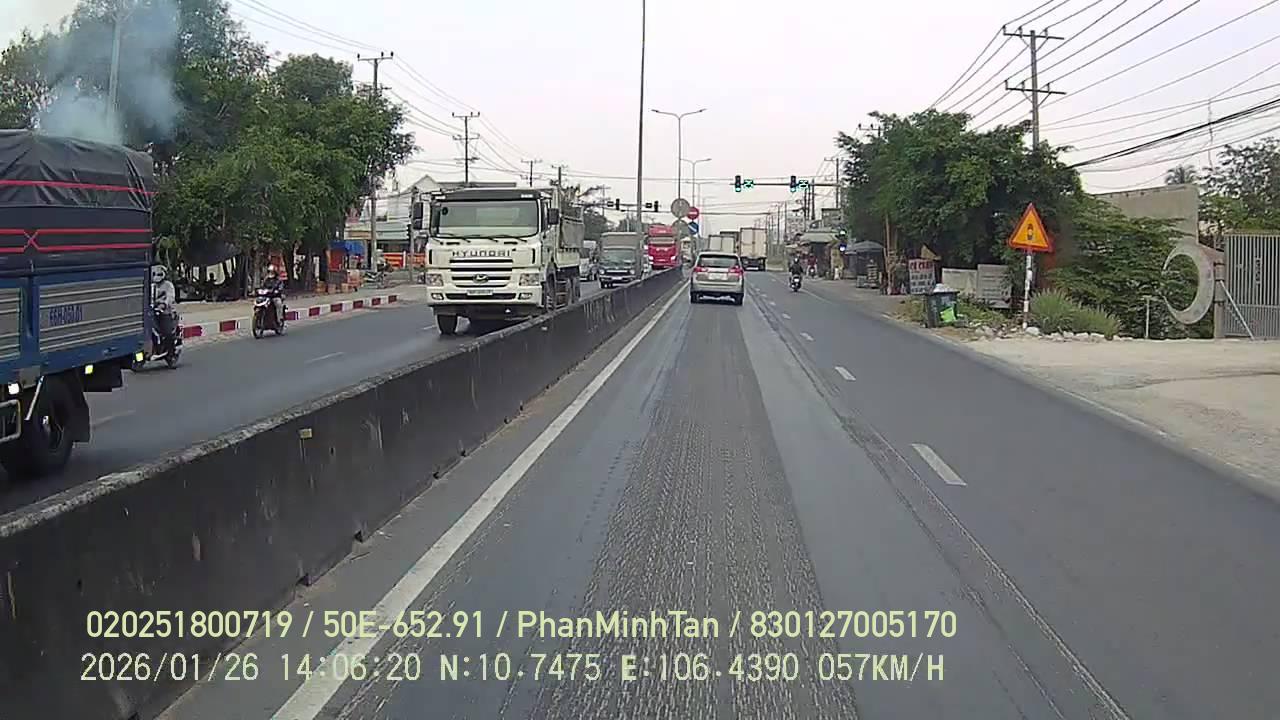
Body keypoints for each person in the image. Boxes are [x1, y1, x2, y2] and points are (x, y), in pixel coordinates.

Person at [150, 265, 177, 342]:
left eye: (159, 274)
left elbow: (170, 297)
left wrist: (164, 304)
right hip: (153, 309)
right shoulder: (152, 286)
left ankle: (169, 344)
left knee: (166, 330)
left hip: (166, 310)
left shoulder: (168, 285)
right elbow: (150, 296)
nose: (156, 276)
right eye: (154, 274)